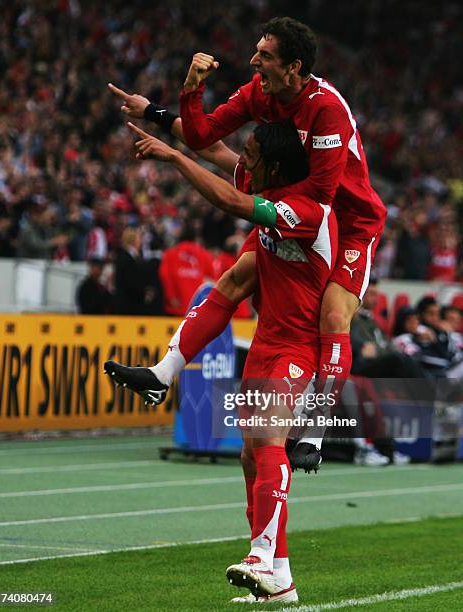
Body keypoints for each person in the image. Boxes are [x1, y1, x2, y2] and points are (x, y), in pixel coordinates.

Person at [108, 16, 387, 467]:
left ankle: (316, 432)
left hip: (344, 222)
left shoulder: (327, 110)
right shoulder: (262, 92)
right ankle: (162, 373)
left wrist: (258, 202)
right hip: (290, 205)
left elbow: (319, 198)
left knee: (334, 313)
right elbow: (205, 136)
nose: (253, 59)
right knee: (235, 279)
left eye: (265, 55)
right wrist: (176, 99)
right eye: (257, 49)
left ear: (294, 67)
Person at [105, 120, 338, 604]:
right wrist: (167, 110)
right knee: (252, 457)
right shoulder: (269, 213)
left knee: (271, 443)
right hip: (266, 343)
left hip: (299, 350)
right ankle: (282, 580)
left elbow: (231, 199)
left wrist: (173, 158)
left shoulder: (305, 211)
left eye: (251, 156)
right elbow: (231, 288)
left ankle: (259, 555)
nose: (243, 163)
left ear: (274, 167)